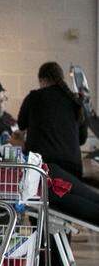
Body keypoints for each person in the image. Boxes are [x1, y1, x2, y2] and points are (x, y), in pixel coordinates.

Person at [17, 62, 99, 224]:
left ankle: (42, 248)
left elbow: (21, 124)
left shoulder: (34, 97)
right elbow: (81, 139)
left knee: (41, 217)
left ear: (42, 80)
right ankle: (61, 246)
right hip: (72, 167)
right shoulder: (75, 101)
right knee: (66, 217)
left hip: (44, 169)